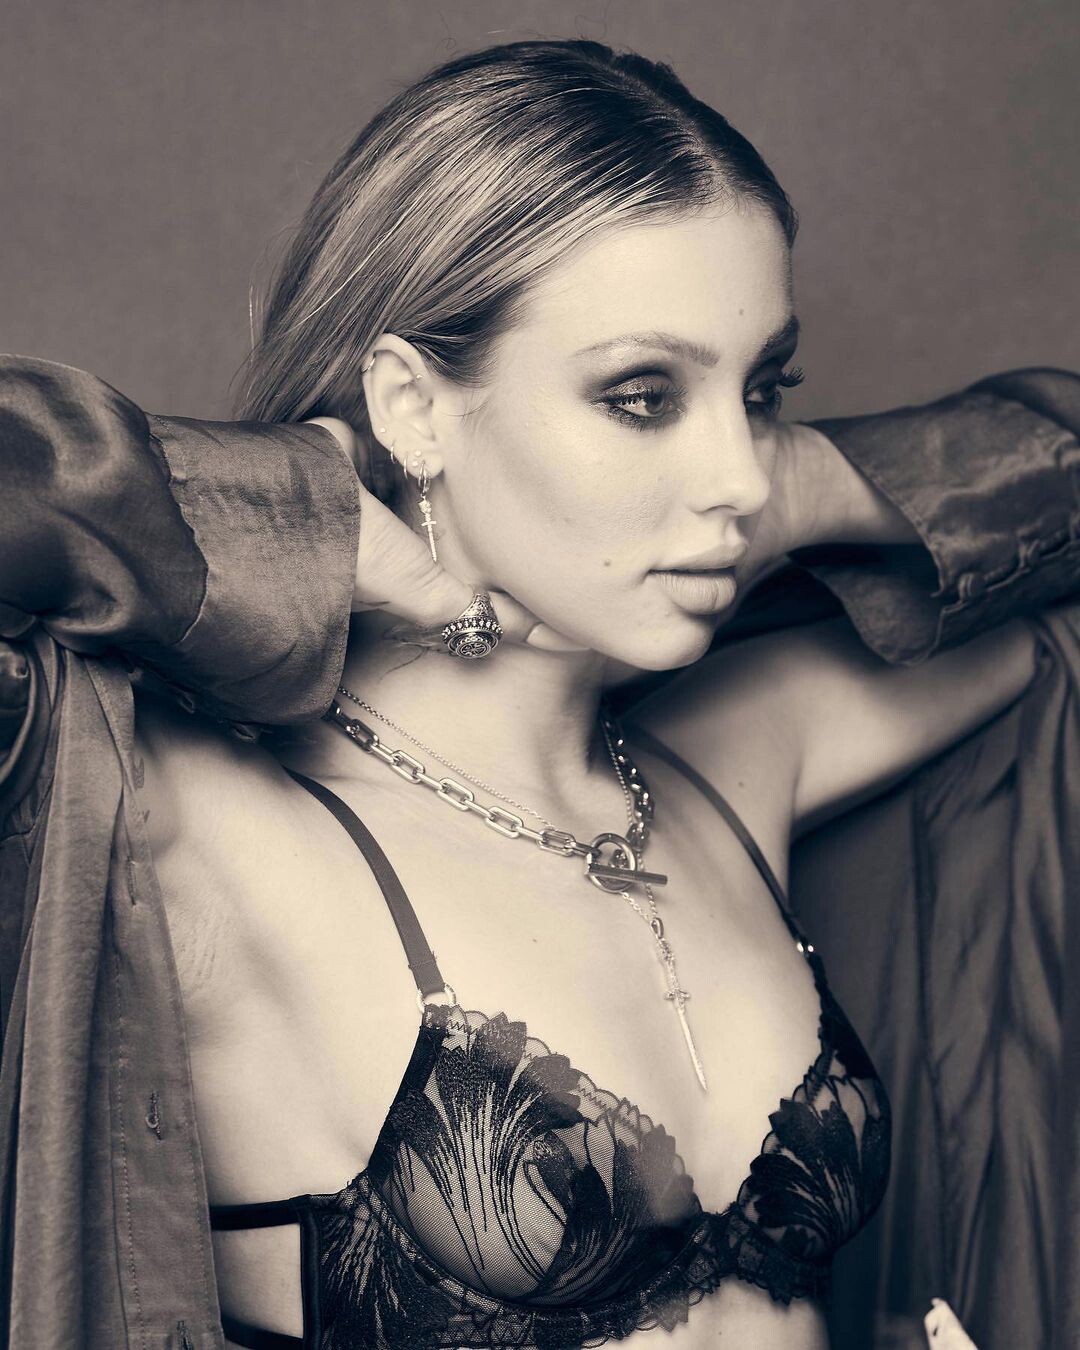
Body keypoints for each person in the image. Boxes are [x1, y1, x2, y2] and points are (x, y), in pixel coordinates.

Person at [1, 38, 1077, 1350]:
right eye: (643, 396)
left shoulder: (740, 759)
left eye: (759, 392)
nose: (736, 476)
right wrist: (298, 518)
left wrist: (812, 481)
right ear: (413, 405)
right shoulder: (211, 826)